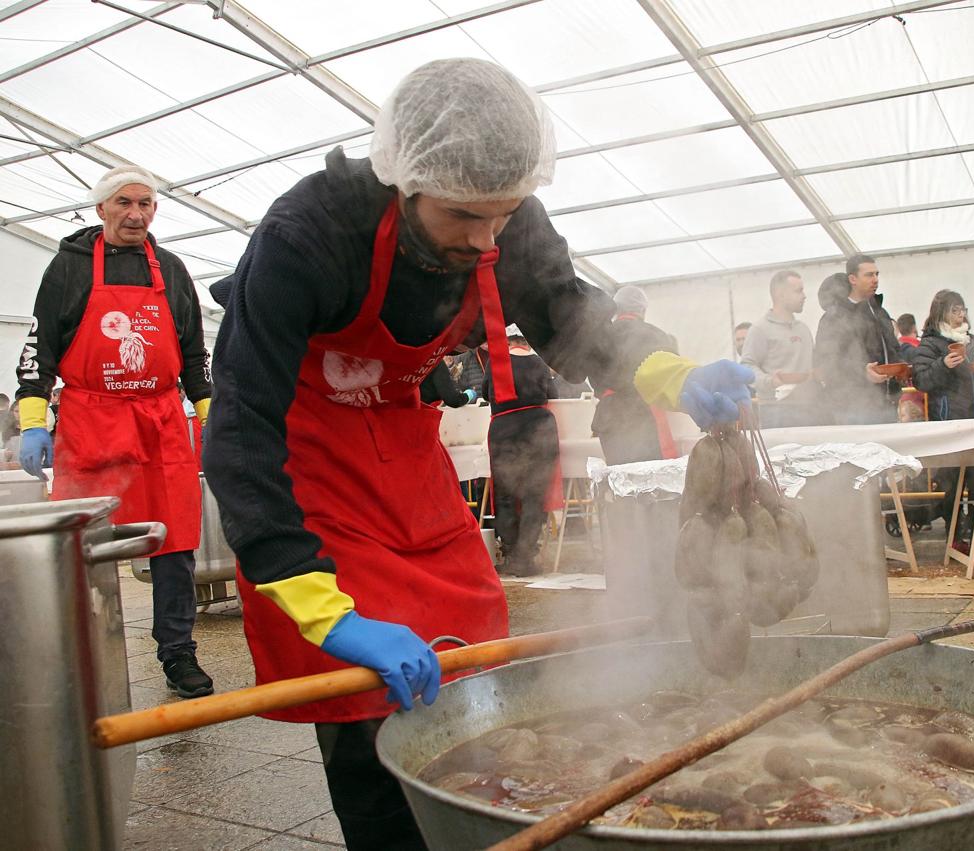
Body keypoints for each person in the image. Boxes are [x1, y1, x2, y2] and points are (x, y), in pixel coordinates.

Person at [202, 58, 752, 849]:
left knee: (478, 660)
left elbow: (570, 313)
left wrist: (674, 372)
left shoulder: (507, 217)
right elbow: (242, 422)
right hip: (307, 467)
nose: (488, 238)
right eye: (464, 216)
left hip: (408, 458)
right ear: (405, 177)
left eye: (504, 214)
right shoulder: (308, 234)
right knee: (365, 710)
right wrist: (327, 610)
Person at [15, 165, 214, 697]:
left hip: (161, 422)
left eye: (146, 204)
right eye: (125, 203)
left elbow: (195, 354)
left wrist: (209, 415)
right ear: (101, 208)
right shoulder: (68, 269)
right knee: (83, 545)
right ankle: (77, 655)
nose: (136, 214)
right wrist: (33, 422)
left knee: (174, 544)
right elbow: (38, 356)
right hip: (91, 421)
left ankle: (178, 653)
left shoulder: (170, 269)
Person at [911, 290, 974, 559]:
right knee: (952, 482)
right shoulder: (930, 344)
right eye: (954, 310)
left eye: (962, 309)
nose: (960, 315)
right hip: (948, 422)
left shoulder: (973, 342)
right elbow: (921, 380)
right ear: (940, 313)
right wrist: (943, 364)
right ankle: (954, 537)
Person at [484, 325, 559, 575]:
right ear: (526, 342)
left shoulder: (495, 363)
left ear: (507, 342)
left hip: (504, 431)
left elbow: (485, 394)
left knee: (505, 496)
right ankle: (526, 558)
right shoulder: (538, 364)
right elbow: (553, 394)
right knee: (533, 495)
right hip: (539, 431)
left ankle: (510, 553)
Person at [590, 285, 679, 464]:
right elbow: (672, 375)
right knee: (650, 478)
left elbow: (590, 374)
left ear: (616, 309)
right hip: (644, 414)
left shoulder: (599, 336)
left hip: (608, 416)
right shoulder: (657, 336)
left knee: (619, 477)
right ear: (643, 310)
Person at [813, 254, 901, 424]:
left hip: (886, 404)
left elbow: (893, 350)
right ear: (852, 278)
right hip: (852, 408)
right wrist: (862, 373)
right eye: (869, 275)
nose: (875, 280)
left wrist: (901, 367)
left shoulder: (880, 313)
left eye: (877, 274)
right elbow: (826, 364)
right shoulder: (833, 318)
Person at [739, 270, 818, 426]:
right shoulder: (760, 329)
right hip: (775, 410)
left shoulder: (803, 329)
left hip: (807, 408)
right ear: (780, 294)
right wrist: (770, 381)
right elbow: (747, 365)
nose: (804, 296)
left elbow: (812, 363)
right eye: (798, 291)